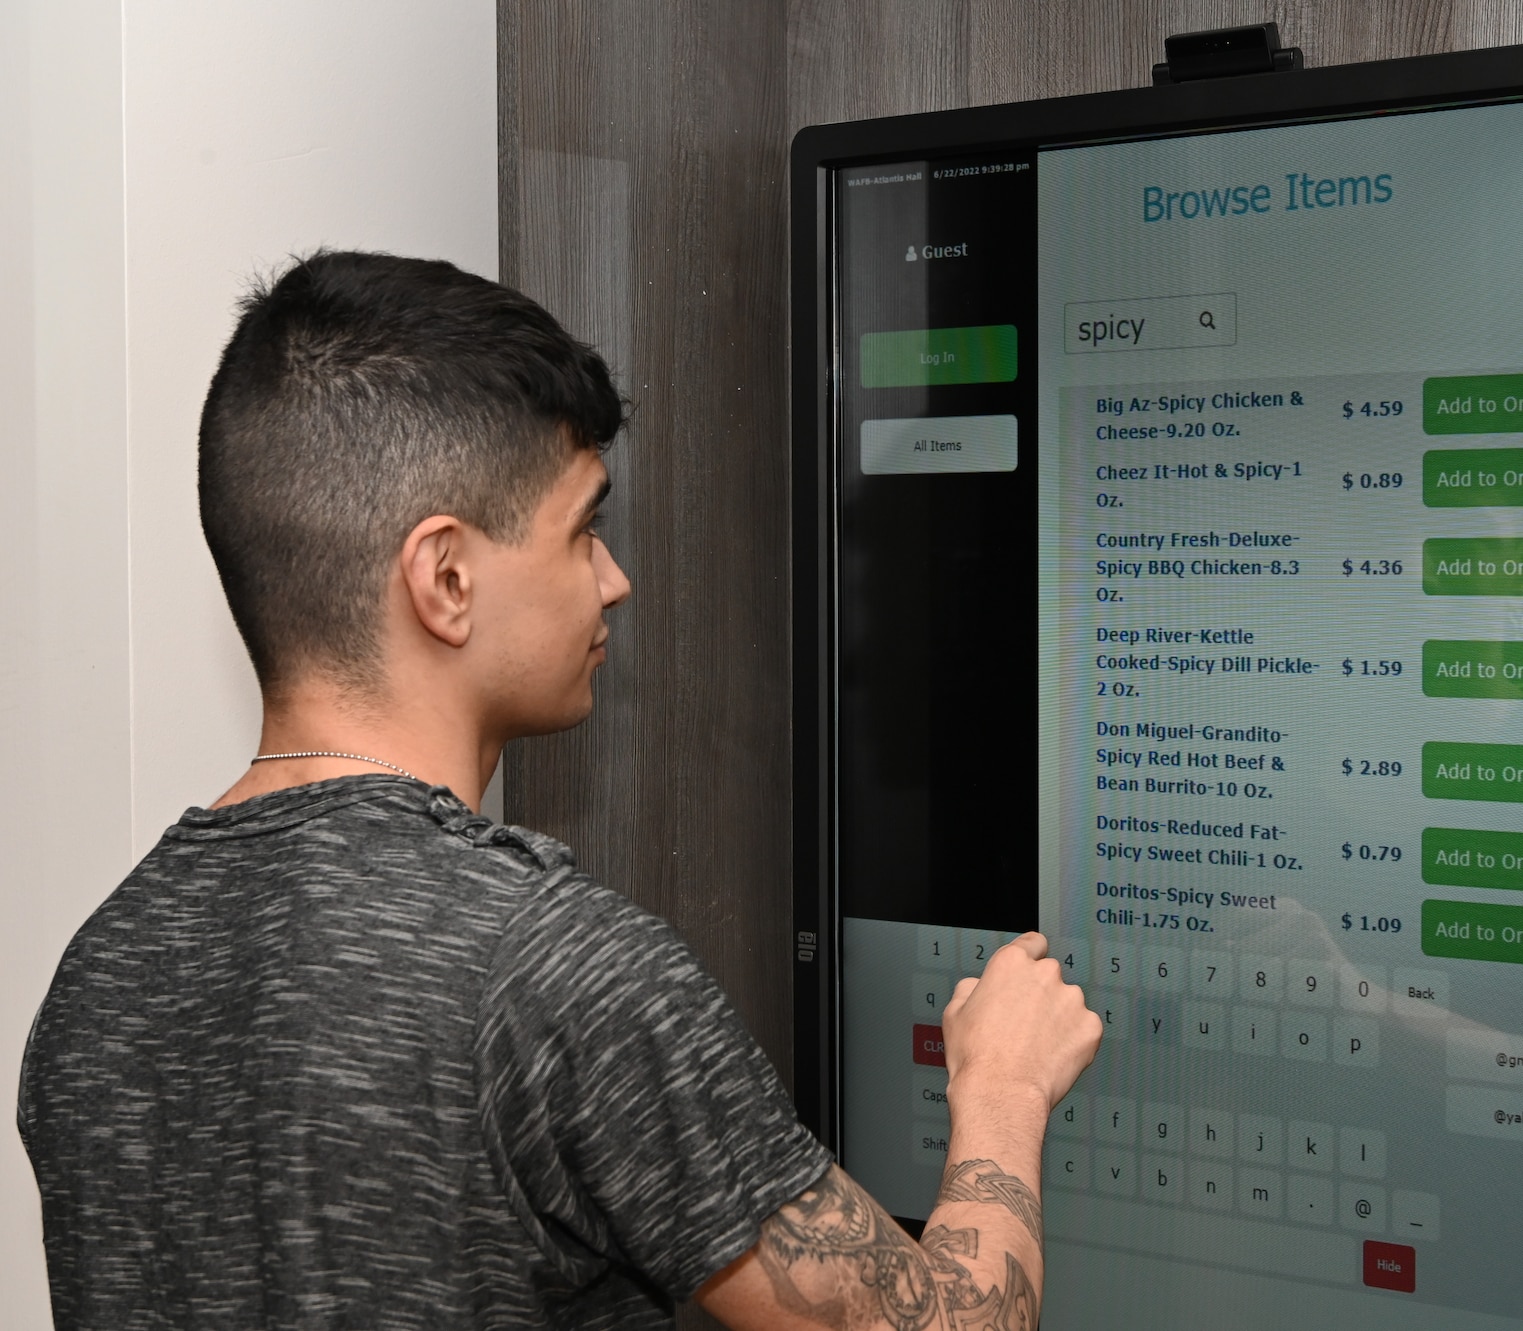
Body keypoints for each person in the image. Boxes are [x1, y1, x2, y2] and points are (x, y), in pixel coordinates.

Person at [17, 250, 1102, 1330]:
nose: (614, 577)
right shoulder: (555, 971)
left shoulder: (99, 975)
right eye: (583, 527)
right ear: (445, 578)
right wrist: (1001, 1086)